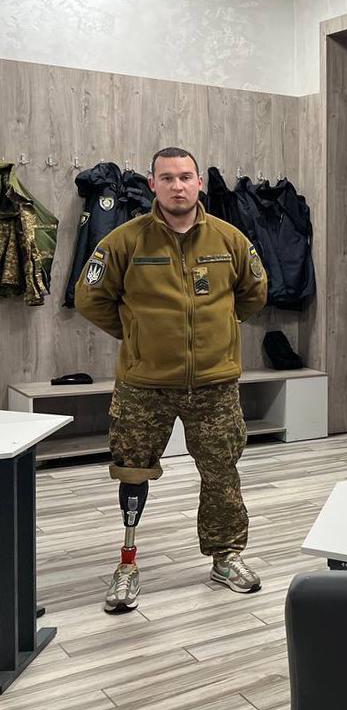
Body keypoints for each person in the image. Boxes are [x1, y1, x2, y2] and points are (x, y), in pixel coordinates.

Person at [74, 146, 268, 613]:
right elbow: (90, 298)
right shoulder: (124, 241)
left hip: (215, 384)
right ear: (152, 184)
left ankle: (226, 557)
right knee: (132, 471)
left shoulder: (229, 239)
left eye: (185, 177)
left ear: (199, 182)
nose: (177, 186)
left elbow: (254, 293)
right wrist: (138, 335)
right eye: (167, 178)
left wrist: (217, 333)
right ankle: (127, 562)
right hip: (145, 385)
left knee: (221, 473)